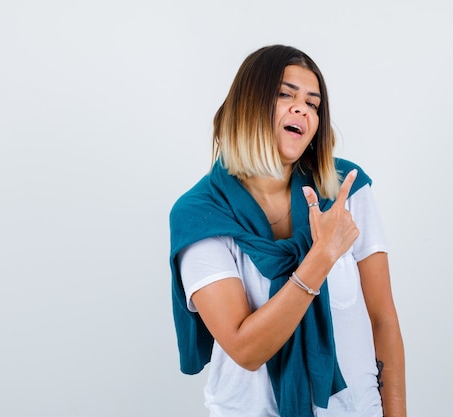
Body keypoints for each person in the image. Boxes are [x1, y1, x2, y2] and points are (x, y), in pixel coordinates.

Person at [169, 45, 406, 417]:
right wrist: (321, 255)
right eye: (284, 94)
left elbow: (383, 320)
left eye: (313, 104)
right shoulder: (200, 214)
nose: (302, 109)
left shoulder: (345, 191)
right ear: (248, 104)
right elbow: (246, 349)